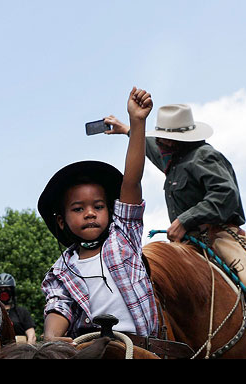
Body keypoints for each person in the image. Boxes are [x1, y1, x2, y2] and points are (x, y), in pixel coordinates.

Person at [105, 103, 246, 357]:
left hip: (219, 238)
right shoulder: (173, 160)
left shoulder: (205, 156)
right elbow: (150, 149)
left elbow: (225, 194)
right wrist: (127, 130)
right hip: (186, 245)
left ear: (176, 140)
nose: (159, 141)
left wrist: (185, 220)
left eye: (164, 137)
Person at [38, 87, 158, 342]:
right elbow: (58, 306)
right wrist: (52, 337)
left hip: (140, 346)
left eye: (98, 206)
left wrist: (137, 123)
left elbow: (132, 181)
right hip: (91, 347)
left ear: (111, 210)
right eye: (78, 209)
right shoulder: (62, 270)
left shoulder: (122, 236)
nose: (90, 214)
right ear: (62, 220)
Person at [0, 273, 37, 344]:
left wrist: (28, 350)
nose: (3, 291)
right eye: (0, 289)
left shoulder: (22, 312)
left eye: (6, 289)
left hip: (19, 351)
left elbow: (32, 336)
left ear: (12, 291)